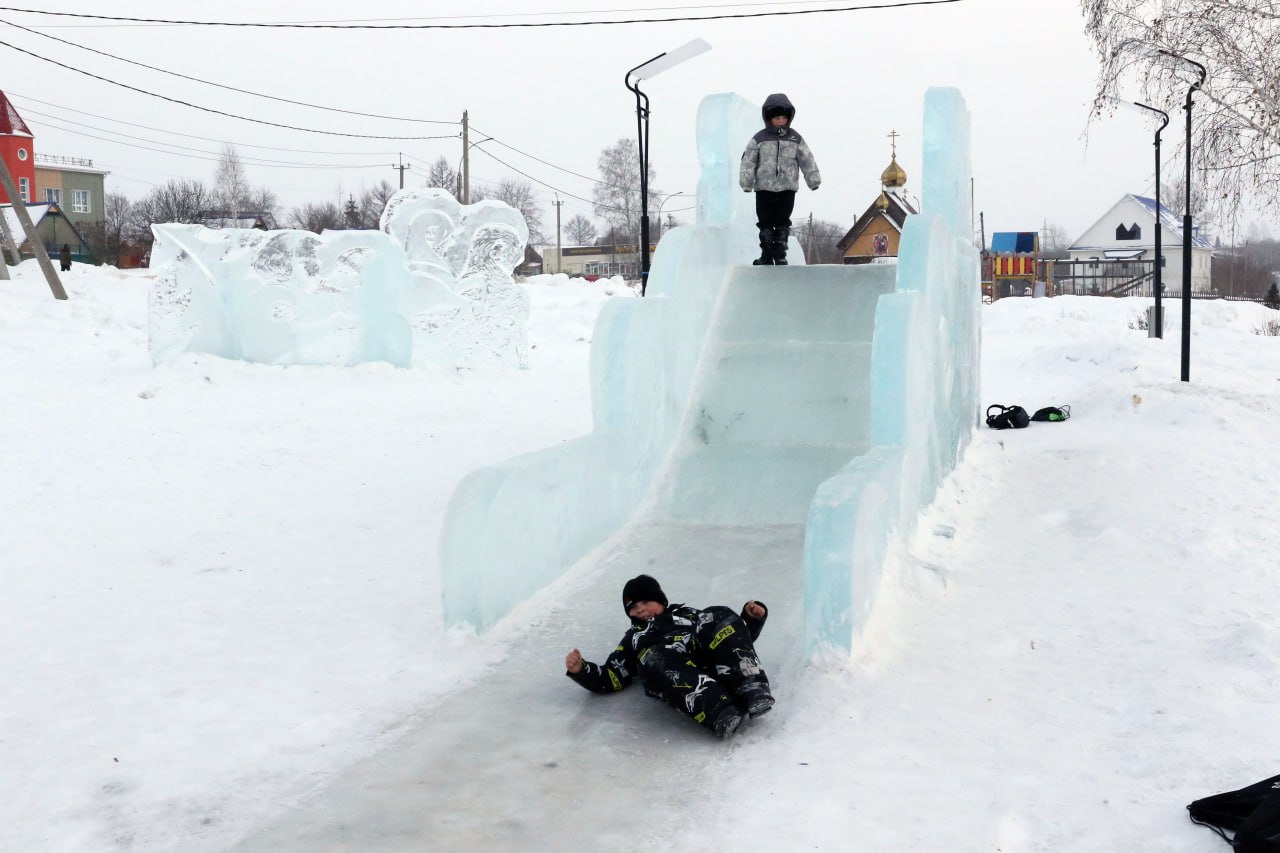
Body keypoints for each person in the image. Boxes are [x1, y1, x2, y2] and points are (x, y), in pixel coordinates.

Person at [564, 574, 774, 739]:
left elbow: (728, 641)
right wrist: (582, 669)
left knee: (716, 614)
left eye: (646, 602)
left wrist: (751, 619)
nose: (641, 610)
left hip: (708, 658)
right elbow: (612, 675)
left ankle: (752, 688)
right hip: (678, 673)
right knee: (653, 656)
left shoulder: (687, 614)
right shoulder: (634, 639)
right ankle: (719, 711)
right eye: (634, 608)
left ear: (661, 600)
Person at [739, 93, 821, 266]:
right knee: (765, 223)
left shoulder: (795, 138)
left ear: (789, 118)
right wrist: (746, 182)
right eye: (777, 118)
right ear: (769, 118)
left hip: (787, 188)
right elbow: (748, 160)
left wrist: (813, 180)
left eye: (784, 118)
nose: (781, 121)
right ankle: (767, 255)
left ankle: (780, 254)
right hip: (764, 189)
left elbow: (807, 158)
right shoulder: (759, 138)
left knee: (783, 222)